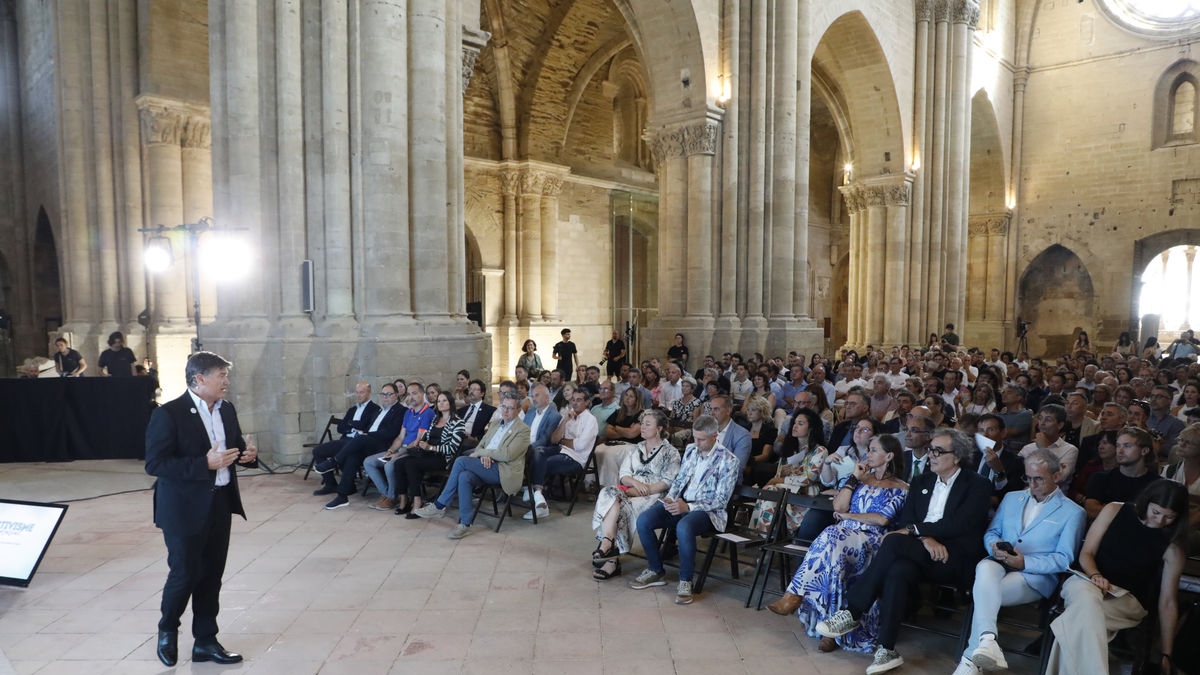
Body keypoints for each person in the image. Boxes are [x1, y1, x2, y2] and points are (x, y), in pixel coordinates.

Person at [816, 429, 992, 675]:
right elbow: (908, 519)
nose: (931, 455)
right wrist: (926, 538)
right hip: (922, 550)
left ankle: (853, 610)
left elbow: (960, 524)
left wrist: (917, 531)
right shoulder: (922, 482)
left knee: (893, 542)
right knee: (898, 570)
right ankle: (887, 649)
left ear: (957, 457)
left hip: (953, 557)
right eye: (930, 449)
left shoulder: (977, 485)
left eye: (938, 451)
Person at [144, 351, 259, 667]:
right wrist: (202, 464)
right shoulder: (168, 414)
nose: (227, 381)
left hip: (219, 503)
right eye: (221, 375)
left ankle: (206, 641)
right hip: (182, 508)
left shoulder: (226, 409)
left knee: (212, 574)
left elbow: (233, 448)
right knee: (185, 573)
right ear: (199, 378)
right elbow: (155, 464)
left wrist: (247, 455)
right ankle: (168, 630)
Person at [767, 434, 908, 655]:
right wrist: (853, 478)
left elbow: (882, 519)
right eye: (868, 449)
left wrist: (850, 516)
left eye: (873, 450)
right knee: (833, 552)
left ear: (889, 456)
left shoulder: (902, 488)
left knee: (831, 535)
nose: (868, 454)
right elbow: (839, 506)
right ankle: (830, 631)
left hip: (872, 540)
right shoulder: (861, 478)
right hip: (842, 537)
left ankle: (793, 595)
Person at [952, 448, 1086, 675]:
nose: (1032, 484)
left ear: (1056, 476)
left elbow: (1064, 558)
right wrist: (994, 547)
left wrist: (1025, 563)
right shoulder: (1012, 498)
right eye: (1028, 478)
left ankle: (971, 659)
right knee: (985, 566)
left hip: (1034, 576)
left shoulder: (1073, 512)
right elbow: (992, 532)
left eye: (1039, 478)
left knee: (985, 595)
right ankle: (987, 643)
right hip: (998, 565)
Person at [1045, 480, 1189, 675]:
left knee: (1076, 622)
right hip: (1087, 580)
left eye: (1169, 517)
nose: (1160, 521)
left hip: (1127, 599)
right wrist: (1096, 575)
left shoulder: (1173, 547)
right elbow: (1086, 553)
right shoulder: (1114, 510)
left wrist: (1167, 653)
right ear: (1146, 502)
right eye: (1156, 512)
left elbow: (1168, 601)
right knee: (1087, 601)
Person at [628, 414, 739, 605]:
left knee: (684, 527)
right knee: (644, 520)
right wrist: (671, 498)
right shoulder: (691, 450)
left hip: (708, 512)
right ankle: (655, 569)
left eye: (701, 439)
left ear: (715, 436)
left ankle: (686, 580)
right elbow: (680, 480)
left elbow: (720, 500)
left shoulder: (729, 460)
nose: (697, 443)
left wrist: (688, 507)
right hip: (682, 503)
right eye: (695, 438)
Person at [412, 393, 531, 539]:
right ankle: (465, 524)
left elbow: (508, 455)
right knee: (464, 476)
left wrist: (485, 453)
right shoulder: (495, 424)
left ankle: (439, 505)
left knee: (461, 461)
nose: (505, 410)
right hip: (486, 464)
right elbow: (480, 445)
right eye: (503, 406)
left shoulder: (523, 429)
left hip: (504, 470)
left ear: (518, 410)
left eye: (510, 408)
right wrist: (484, 454)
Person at [591, 409, 681, 580]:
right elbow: (624, 475)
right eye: (642, 424)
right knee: (606, 493)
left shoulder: (670, 452)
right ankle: (608, 542)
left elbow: (668, 481)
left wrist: (645, 489)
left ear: (659, 428)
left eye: (648, 424)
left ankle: (611, 560)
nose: (643, 427)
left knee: (620, 508)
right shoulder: (635, 448)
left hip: (654, 496)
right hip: (633, 489)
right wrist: (636, 484)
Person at [313, 383, 407, 508]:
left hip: (382, 445)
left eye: (389, 394)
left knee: (360, 438)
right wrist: (364, 432)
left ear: (396, 395)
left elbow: (391, 432)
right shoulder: (379, 410)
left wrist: (368, 434)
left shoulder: (401, 411)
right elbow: (364, 427)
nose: (385, 397)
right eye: (383, 394)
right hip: (366, 443)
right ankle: (342, 497)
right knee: (352, 457)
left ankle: (334, 462)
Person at [373, 391, 464, 514]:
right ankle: (404, 499)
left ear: (450, 402)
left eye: (444, 400)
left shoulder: (457, 422)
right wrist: (421, 443)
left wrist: (431, 447)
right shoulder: (436, 420)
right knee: (399, 463)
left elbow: (452, 448)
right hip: (427, 453)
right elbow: (428, 437)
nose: (441, 403)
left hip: (442, 458)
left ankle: (417, 501)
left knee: (411, 464)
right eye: (439, 401)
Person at [526, 389, 598, 520]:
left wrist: (563, 441)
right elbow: (554, 439)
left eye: (579, 400)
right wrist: (565, 421)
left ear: (587, 402)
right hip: (560, 450)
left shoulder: (591, 420)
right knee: (536, 452)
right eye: (573, 400)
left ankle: (534, 495)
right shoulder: (568, 416)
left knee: (541, 463)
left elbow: (579, 446)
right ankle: (537, 495)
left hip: (575, 458)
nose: (575, 403)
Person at [309, 381, 383, 496]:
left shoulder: (375, 409)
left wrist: (351, 423)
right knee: (317, 451)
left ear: (368, 393)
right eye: (357, 392)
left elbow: (367, 427)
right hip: (345, 440)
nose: (358, 395)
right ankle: (330, 484)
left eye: (362, 392)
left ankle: (348, 486)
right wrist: (353, 427)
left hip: (359, 443)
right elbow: (340, 427)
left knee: (348, 455)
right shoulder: (352, 409)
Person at [1083, 426, 1159, 518]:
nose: (1120, 451)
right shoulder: (1100, 478)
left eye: (1127, 446)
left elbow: (1157, 516)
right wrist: (1137, 512)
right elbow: (1091, 510)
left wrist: (1108, 509)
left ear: (1144, 451)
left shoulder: (1157, 484)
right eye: (1118, 445)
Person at [743, 396, 780, 487]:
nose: (749, 413)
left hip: (759, 466)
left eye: (753, 410)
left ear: (762, 411)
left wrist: (747, 461)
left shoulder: (770, 430)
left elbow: (765, 456)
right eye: (748, 410)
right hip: (744, 463)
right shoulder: (744, 429)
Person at [456, 379, 495, 451]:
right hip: (457, 438)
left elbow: (490, 431)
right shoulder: (460, 411)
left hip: (474, 442)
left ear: (482, 394)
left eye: (475, 389)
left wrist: (475, 439)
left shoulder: (490, 410)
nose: (471, 392)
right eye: (470, 389)